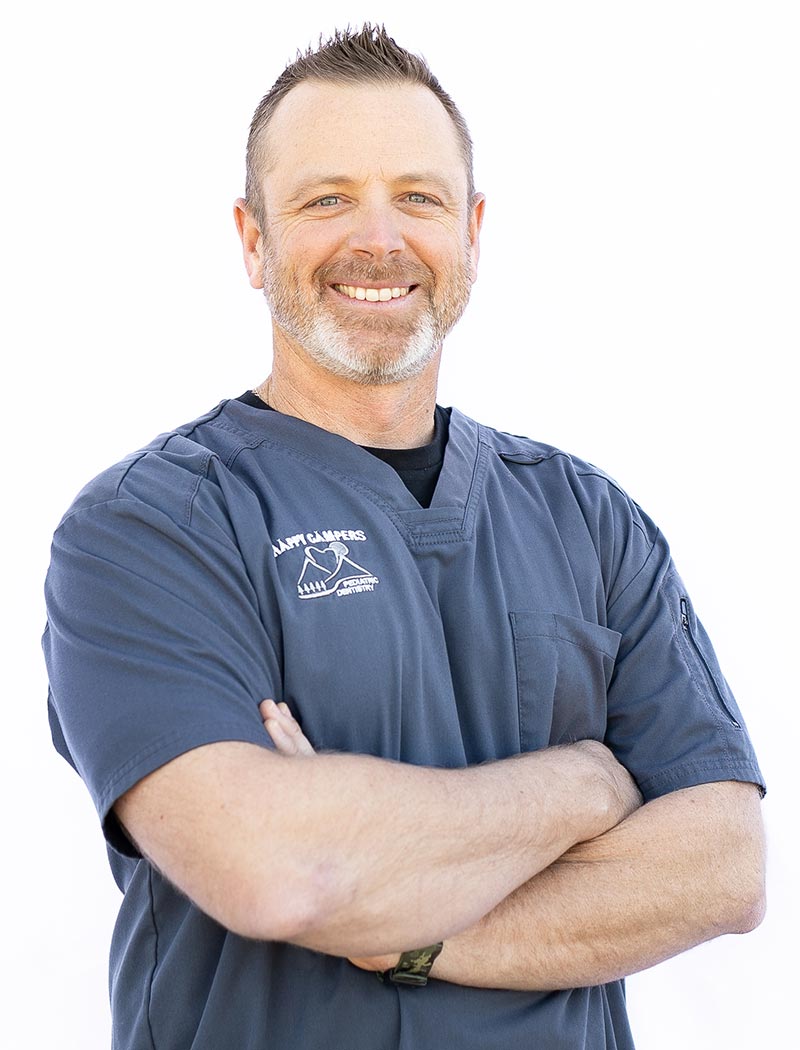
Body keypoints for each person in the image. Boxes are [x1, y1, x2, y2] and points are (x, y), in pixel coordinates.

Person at [43, 23, 766, 1050]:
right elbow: (279, 870)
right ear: (253, 240)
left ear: (471, 231)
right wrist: (582, 785)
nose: (377, 239)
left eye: (417, 198)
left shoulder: (588, 521)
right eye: (325, 198)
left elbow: (719, 870)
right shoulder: (151, 528)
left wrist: (398, 934)